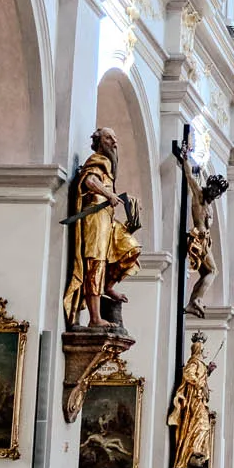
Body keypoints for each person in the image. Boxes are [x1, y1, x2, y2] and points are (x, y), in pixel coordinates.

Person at [63, 127, 142, 329]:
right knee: (95, 263)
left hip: (107, 218)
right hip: (95, 216)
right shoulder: (97, 160)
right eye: (109, 138)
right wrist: (109, 195)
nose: (114, 142)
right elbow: (90, 181)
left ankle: (108, 285)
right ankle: (95, 317)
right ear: (99, 141)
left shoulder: (107, 165)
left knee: (129, 248)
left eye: (115, 138)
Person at [174, 137, 228, 316]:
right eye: (213, 189)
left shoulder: (210, 206)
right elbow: (189, 176)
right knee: (213, 270)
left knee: (208, 272)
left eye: (217, 192)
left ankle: (194, 300)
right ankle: (195, 299)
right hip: (198, 239)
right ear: (209, 186)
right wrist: (185, 158)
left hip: (204, 241)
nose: (214, 193)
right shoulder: (199, 196)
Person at [168, 332, 215, 468]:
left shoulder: (200, 364)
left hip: (199, 399)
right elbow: (188, 374)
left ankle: (196, 450)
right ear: (199, 349)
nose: (207, 351)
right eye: (205, 349)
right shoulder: (194, 362)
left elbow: (200, 376)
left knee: (203, 425)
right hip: (193, 400)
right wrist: (199, 384)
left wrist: (208, 371)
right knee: (200, 425)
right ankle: (192, 452)